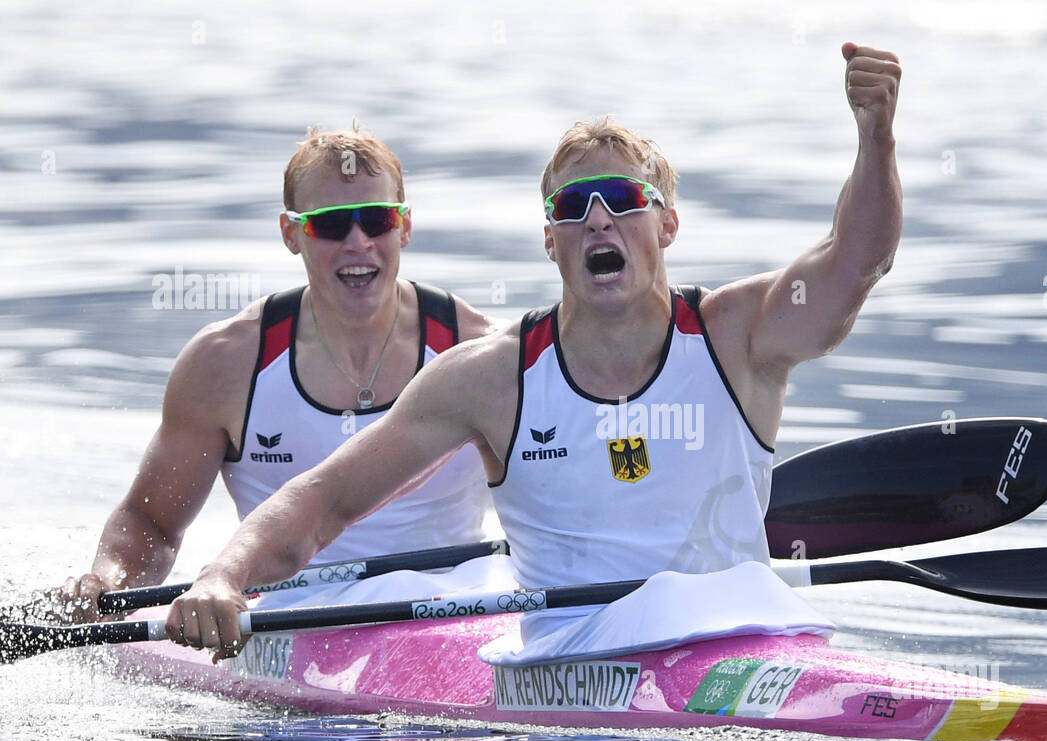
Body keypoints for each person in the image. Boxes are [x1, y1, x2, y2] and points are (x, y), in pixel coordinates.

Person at [168, 42, 902, 663]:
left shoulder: (742, 335)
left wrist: (876, 139)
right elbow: (323, 501)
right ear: (550, 240)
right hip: (575, 679)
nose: (598, 218)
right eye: (572, 206)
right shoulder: (489, 379)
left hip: (747, 646)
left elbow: (855, 260)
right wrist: (225, 578)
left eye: (621, 196)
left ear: (668, 224)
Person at [54, 127, 498, 622]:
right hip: (288, 614)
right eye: (329, 225)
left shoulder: (481, 350)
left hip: (454, 613)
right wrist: (107, 581)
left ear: (405, 227)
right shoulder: (225, 364)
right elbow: (153, 522)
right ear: (291, 234)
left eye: (377, 220)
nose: (359, 242)